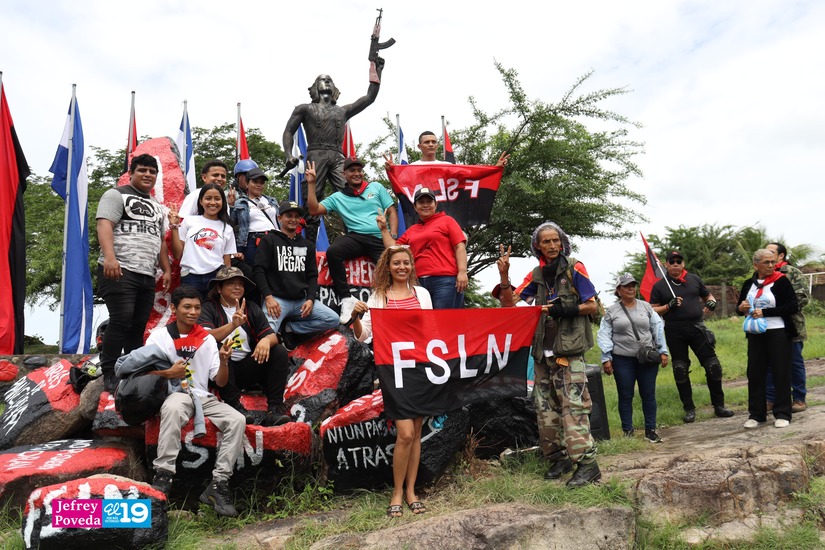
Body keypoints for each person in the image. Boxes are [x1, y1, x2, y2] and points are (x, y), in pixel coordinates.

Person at [493, 221, 601, 487]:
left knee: (574, 407)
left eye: (556, 240)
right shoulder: (536, 274)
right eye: (546, 242)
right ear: (537, 246)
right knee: (545, 409)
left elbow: (592, 305)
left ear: (562, 243)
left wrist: (565, 309)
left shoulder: (574, 268)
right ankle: (558, 458)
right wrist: (504, 276)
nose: (552, 245)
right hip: (543, 354)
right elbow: (509, 303)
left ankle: (588, 465)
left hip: (570, 352)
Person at [349, 246, 433, 517]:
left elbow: (432, 329)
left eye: (406, 263)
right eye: (396, 263)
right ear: (388, 266)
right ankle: (396, 492)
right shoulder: (378, 296)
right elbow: (364, 336)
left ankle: (411, 491)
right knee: (405, 433)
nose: (401, 267)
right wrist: (355, 317)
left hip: (420, 367)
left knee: (417, 433)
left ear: (412, 266)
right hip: (392, 370)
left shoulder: (422, 294)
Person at [147, 285, 245, 517]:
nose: (193, 312)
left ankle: (219, 484)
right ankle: (163, 475)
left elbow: (220, 382)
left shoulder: (207, 339)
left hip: (203, 396)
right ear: (174, 309)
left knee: (237, 420)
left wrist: (224, 361)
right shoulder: (158, 337)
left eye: (197, 308)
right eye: (187, 307)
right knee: (172, 408)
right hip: (176, 394)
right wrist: (168, 373)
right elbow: (140, 371)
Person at [282, 65, 385, 242]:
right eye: (323, 79)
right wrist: (288, 154)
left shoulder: (342, 111)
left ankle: (355, 235)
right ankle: (310, 244)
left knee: (351, 192)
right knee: (311, 197)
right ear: (315, 87)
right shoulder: (305, 109)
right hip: (316, 153)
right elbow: (288, 131)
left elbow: (369, 97)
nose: (327, 81)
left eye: (329, 80)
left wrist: (376, 70)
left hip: (338, 156)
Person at [96, 154, 171, 392]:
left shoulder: (157, 206)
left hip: (146, 274)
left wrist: (166, 269)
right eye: (142, 170)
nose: (147, 174)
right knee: (121, 320)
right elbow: (104, 224)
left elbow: (160, 240)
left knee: (138, 325)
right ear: (131, 173)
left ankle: (132, 370)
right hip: (120, 269)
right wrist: (110, 258)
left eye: (152, 171)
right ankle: (109, 373)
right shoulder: (115, 194)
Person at [305, 157, 397, 321]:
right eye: (352, 170)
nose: (356, 173)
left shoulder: (376, 187)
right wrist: (312, 184)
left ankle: (391, 302)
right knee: (333, 252)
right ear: (344, 174)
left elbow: (392, 212)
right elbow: (314, 209)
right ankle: (346, 299)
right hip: (355, 237)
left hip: (379, 236)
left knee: (393, 263)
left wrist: (393, 236)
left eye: (359, 170)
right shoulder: (338, 197)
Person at [198, 267, 291, 427]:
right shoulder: (209, 308)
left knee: (279, 351)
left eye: (240, 284)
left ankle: (274, 410)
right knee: (219, 347)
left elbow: (271, 335)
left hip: (246, 367)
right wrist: (233, 325)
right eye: (231, 283)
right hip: (220, 371)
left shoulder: (251, 308)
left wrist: (265, 341)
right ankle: (234, 406)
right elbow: (205, 338)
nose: (237, 287)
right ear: (219, 288)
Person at [649, 251, 734, 423]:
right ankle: (689, 408)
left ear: (683, 264)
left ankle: (719, 406)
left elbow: (707, 295)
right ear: (666, 264)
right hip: (674, 331)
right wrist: (668, 306)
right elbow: (652, 309)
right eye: (672, 261)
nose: (675, 264)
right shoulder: (660, 286)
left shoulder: (694, 279)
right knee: (680, 370)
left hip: (697, 328)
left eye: (678, 261)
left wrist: (712, 301)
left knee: (713, 366)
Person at [254, 200, 340, 349]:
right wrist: (268, 297)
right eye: (289, 216)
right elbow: (258, 270)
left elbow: (312, 276)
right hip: (276, 301)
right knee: (264, 337)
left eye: (296, 216)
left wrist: (310, 299)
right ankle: (278, 339)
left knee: (333, 319)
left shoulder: (307, 245)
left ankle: (290, 329)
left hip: (301, 301)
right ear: (279, 218)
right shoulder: (269, 240)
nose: (293, 219)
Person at [597, 274, 669, 442]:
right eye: (626, 286)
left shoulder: (646, 307)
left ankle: (651, 430)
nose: (631, 288)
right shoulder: (611, 311)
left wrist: (663, 351)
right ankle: (628, 432)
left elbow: (657, 328)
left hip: (647, 358)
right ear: (618, 290)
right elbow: (604, 334)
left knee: (648, 394)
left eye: (633, 285)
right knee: (625, 395)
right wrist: (606, 357)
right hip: (622, 359)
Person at [376, 187, 467, 308]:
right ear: (415, 207)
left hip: (445, 281)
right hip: (418, 284)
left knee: (442, 319)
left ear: (436, 204)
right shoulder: (412, 230)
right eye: (421, 202)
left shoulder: (447, 221)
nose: (425, 205)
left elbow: (460, 247)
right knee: (422, 319)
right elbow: (393, 249)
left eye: (429, 202)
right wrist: (383, 229)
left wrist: (462, 272)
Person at [737, 249, 798, 429]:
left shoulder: (781, 281)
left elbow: (793, 306)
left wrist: (765, 312)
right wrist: (741, 308)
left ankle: (783, 413)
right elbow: (739, 308)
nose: (771, 265)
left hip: (778, 332)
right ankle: (756, 414)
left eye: (773, 262)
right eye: (766, 262)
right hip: (756, 334)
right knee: (755, 373)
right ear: (756, 265)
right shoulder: (749, 284)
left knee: (781, 372)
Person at [168, 183, 236, 299]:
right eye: (208, 198)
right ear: (200, 201)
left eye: (217, 199)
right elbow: (178, 254)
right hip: (190, 276)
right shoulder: (189, 221)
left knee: (212, 309)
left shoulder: (228, 228)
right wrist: (174, 227)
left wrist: (225, 283)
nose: (213, 202)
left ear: (223, 202)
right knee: (191, 308)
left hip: (216, 277)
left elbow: (227, 263)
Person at [765, 242, 810, 413]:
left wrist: (777, 307)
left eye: (771, 252)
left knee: (794, 362)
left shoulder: (792, 272)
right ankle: (770, 399)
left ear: (781, 255)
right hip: (769, 325)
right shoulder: (762, 274)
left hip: (792, 325)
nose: (767, 255)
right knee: (770, 363)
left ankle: (799, 398)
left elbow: (803, 298)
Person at [231, 167, 280, 268]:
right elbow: (231, 225)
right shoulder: (241, 202)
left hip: (274, 239)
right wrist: (231, 206)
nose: (258, 185)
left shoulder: (272, 201)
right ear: (246, 184)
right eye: (255, 182)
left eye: (261, 182)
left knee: (274, 270)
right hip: (252, 241)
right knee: (256, 270)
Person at [412, 130, 510, 167]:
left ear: (437, 145)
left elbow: (471, 175)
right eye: (427, 142)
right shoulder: (412, 167)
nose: (431, 145)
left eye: (433, 142)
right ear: (419, 146)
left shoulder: (447, 166)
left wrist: (495, 167)